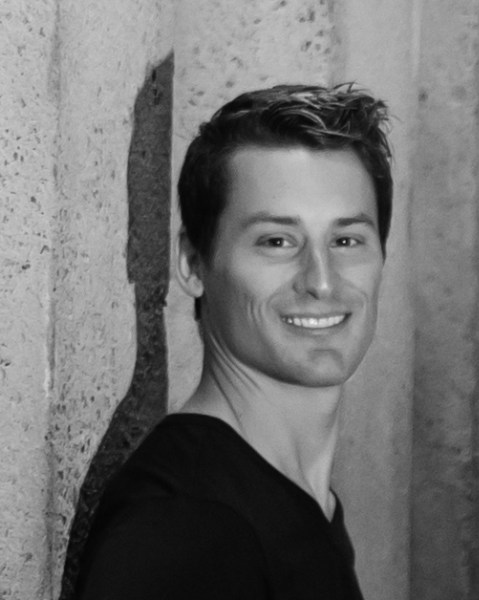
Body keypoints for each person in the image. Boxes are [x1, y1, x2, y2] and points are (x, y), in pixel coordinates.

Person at [73, 83, 393, 600]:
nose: (322, 281)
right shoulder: (186, 529)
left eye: (346, 240)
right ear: (192, 264)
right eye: (276, 241)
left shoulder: (293, 502)